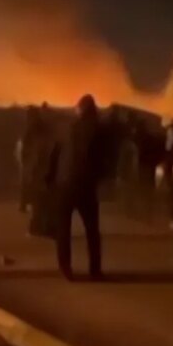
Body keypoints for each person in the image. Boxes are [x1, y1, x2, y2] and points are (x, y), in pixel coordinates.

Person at [49, 95, 105, 280]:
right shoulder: (98, 130)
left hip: (65, 182)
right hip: (86, 184)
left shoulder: (67, 127)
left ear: (79, 109)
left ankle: (65, 268)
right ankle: (95, 269)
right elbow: (102, 159)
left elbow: (55, 153)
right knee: (92, 230)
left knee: (63, 228)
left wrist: (50, 179)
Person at [19, 105, 47, 212]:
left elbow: (29, 144)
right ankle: (27, 204)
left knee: (29, 183)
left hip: (34, 161)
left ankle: (27, 204)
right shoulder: (37, 127)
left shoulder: (33, 127)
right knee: (29, 183)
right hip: (33, 160)